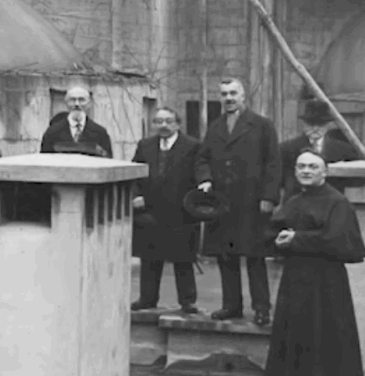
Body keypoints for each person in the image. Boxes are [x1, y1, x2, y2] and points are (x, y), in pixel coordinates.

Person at [261, 150, 365, 376]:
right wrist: (277, 239)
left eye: (312, 167)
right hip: (295, 281)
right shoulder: (294, 200)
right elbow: (273, 229)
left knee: (327, 344)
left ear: (325, 172)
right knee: (297, 340)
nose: (306, 171)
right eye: (301, 166)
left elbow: (344, 243)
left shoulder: (337, 203)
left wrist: (297, 238)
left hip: (326, 285)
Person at [197, 77, 281, 325]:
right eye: (224, 94)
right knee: (225, 255)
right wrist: (205, 179)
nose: (229, 98)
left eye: (233, 93)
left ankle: (261, 308)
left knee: (255, 256)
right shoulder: (215, 127)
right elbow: (202, 159)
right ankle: (231, 306)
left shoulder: (262, 125)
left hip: (251, 201)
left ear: (243, 96)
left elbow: (273, 163)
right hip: (222, 202)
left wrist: (269, 196)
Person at [130, 107, 206, 314]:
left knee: (183, 259)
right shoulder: (145, 145)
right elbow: (135, 173)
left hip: (180, 211)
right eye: (158, 121)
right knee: (149, 258)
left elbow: (199, 170)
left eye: (168, 121)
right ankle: (147, 299)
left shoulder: (192, 146)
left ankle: (187, 301)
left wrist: (204, 184)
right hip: (150, 211)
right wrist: (135, 195)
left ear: (178, 124)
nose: (163, 125)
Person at [280, 97, 361, 198]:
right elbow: (279, 178)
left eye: (320, 124)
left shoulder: (344, 150)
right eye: (311, 124)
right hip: (297, 201)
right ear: (303, 125)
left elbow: (355, 179)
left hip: (331, 201)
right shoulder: (287, 149)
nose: (315, 128)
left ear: (328, 125)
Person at [40, 85, 113, 157]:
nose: (77, 104)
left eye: (81, 100)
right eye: (72, 100)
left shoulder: (100, 133)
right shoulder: (52, 133)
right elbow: (43, 160)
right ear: (66, 103)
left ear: (89, 103)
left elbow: (107, 161)